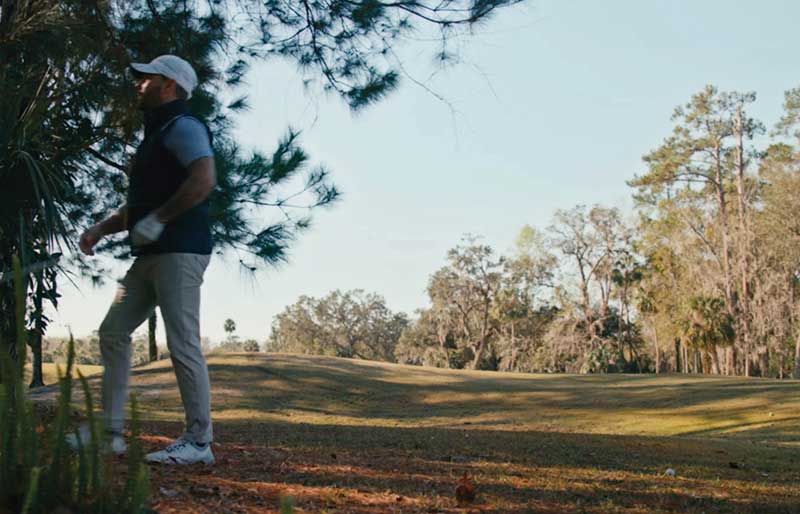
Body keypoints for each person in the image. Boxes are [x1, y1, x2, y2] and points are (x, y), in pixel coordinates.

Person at [68, 54, 217, 465]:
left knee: (182, 341)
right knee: (113, 331)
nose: (139, 84)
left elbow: (204, 179)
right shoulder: (156, 136)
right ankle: (109, 433)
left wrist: (161, 218)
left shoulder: (183, 127)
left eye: (146, 78)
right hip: (151, 254)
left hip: (181, 250)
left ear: (169, 85)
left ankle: (199, 444)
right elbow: (139, 205)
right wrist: (100, 229)